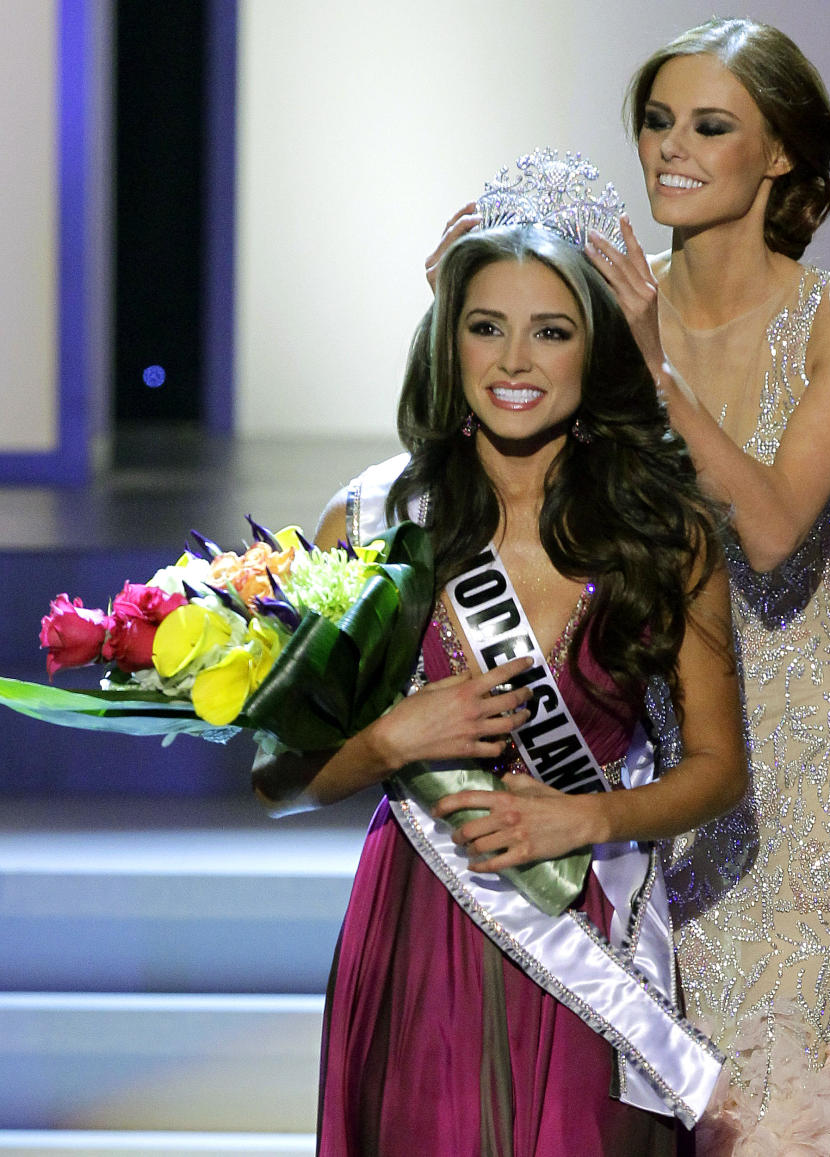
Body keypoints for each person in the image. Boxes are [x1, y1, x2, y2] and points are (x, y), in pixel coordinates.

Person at [254, 164, 748, 1156]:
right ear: (450, 340)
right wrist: (394, 735)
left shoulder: (662, 528)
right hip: (417, 931)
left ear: (593, 349)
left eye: (550, 330)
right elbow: (280, 778)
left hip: (589, 934)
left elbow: (720, 768)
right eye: (486, 326)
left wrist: (585, 812)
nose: (513, 358)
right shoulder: (370, 520)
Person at [577, 18, 830, 1156]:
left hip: (809, 771)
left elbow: (772, 528)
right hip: (656, 753)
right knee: (668, 1109)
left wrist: (651, 368)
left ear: (778, 156)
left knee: (770, 1113)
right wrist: (463, 314)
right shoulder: (608, 303)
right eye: (659, 120)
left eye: (709, 125)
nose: (672, 147)